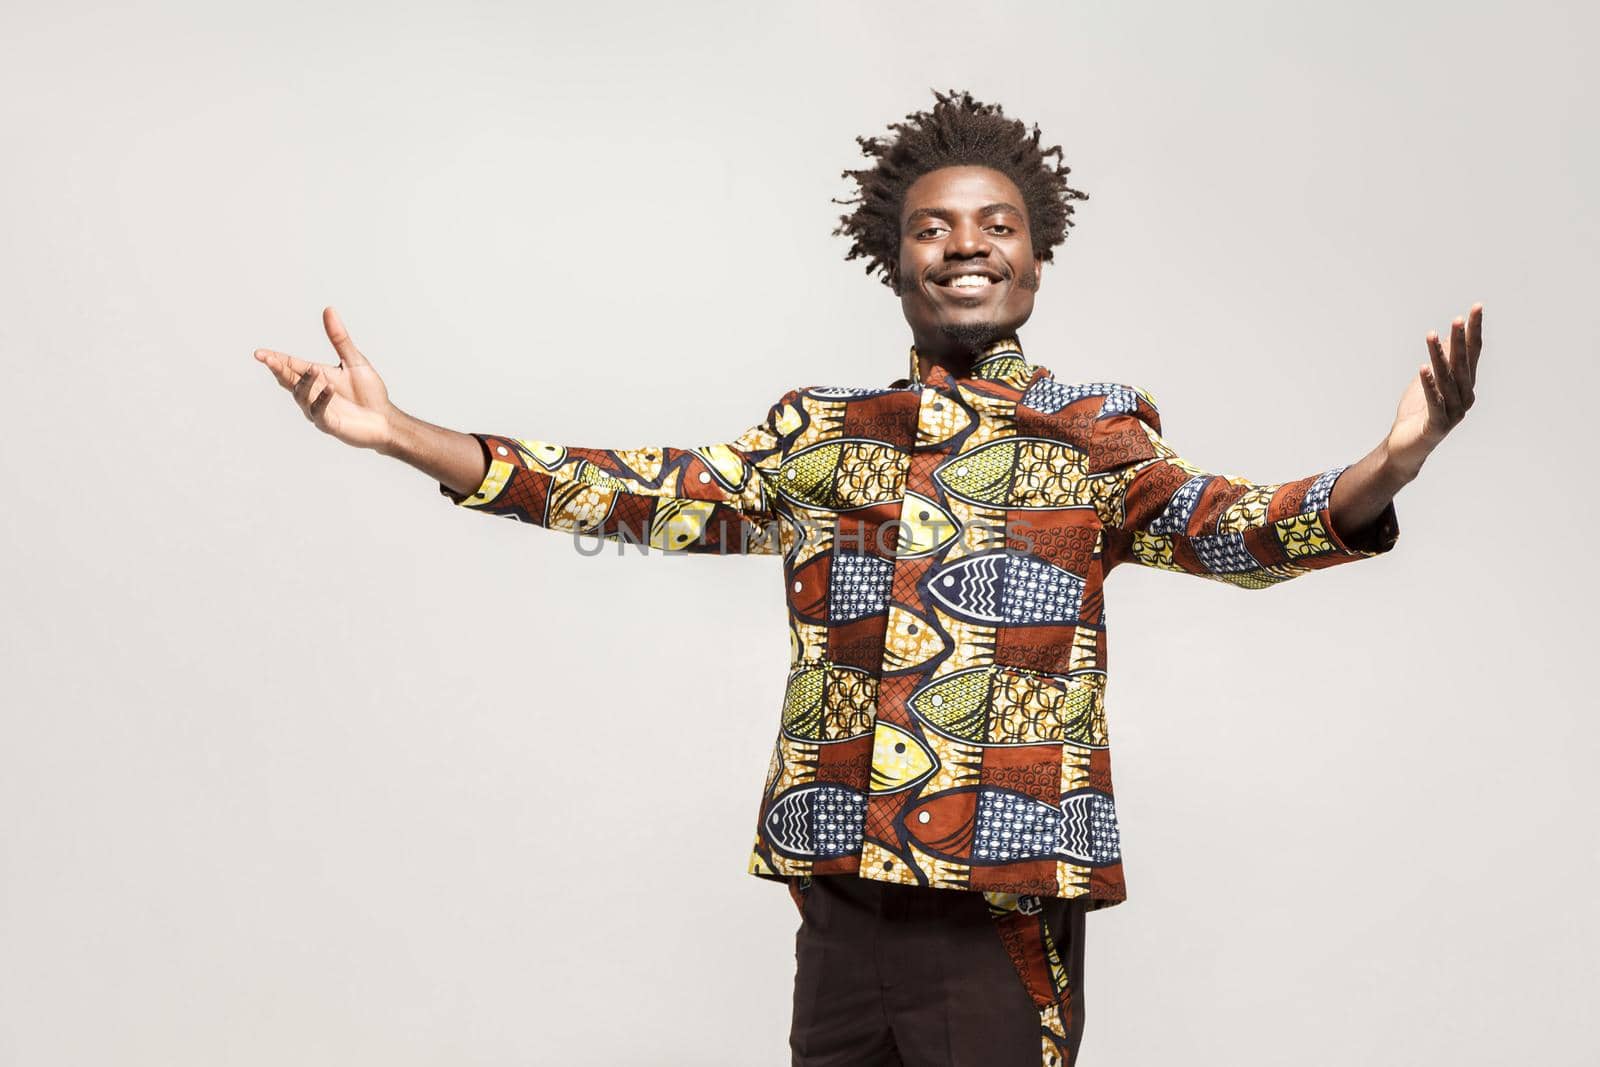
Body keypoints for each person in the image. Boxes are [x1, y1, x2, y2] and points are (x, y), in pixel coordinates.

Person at [253, 89, 1482, 1066]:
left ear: (1036, 262)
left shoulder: (1094, 435)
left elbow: (1234, 528)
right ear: (893, 259)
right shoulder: (821, 435)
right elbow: (640, 492)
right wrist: (404, 432)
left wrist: (1386, 463)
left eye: (996, 226)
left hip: (995, 901)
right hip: (838, 897)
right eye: (933, 226)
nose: (965, 245)